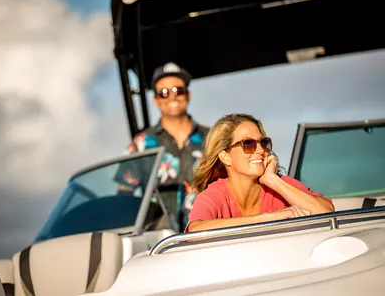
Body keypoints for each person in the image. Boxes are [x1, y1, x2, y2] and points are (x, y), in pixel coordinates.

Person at [185, 113, 334, 233]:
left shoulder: (279, 185)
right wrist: (267, 218)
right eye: (248, 144)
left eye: (263, 143)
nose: (260, 150)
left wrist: (273, 181)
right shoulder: (215, 194)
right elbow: (196, 230)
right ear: (225, 157)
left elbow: (327, 213)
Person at [114, 62, 210, 232]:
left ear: (188, 95)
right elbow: (123, 198)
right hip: (160, 243)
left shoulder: (212, 138)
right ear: (156, 100)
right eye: (164, 93)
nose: (172, 97)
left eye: (178, 90)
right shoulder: (140, 145)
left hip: (207, 234)